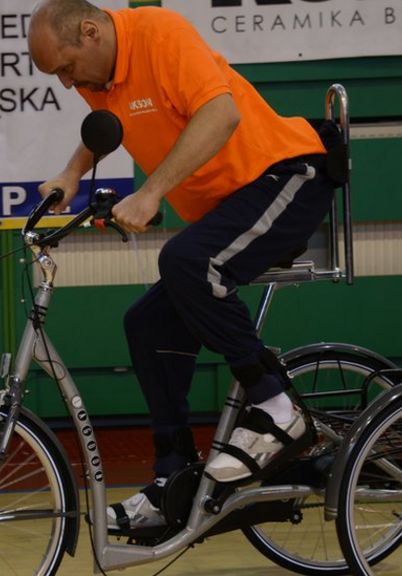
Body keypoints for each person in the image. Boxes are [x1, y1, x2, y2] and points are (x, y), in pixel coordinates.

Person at [27, 0, 338, 531]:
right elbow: (105, 127)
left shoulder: (160, 33)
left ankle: (279, 408)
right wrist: (71, 173)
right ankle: (173, 479)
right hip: (233, 204)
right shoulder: (96, 74)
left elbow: (222, 113)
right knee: (147, 322)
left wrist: (150, 194)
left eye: (65, 68)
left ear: (90, 31)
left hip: (287, 176)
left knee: (186, 259)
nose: (65, 82)